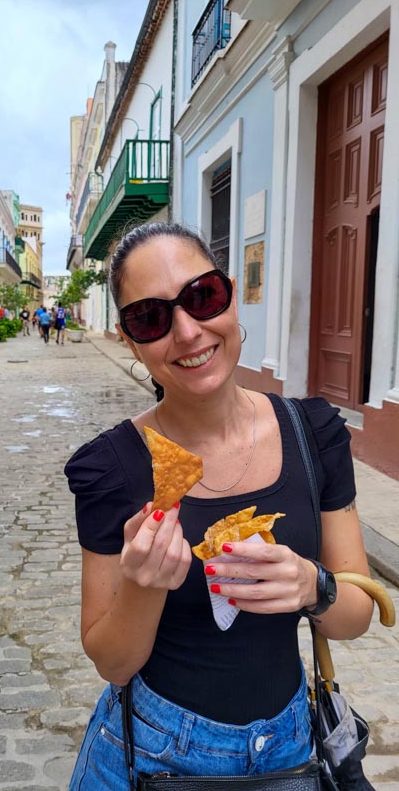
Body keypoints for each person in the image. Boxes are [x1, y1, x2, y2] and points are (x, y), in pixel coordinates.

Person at [64, 222, 373, 788]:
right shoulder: (109, 469)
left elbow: (355, 617)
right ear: (130, 341)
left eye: (202, 296)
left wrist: (313, 587)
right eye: (150, 318)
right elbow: (113, 663)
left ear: (230, 295)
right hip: (153, 755)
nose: (187, 331)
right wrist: (145, 584)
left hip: (290, 751)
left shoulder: (315, 435)